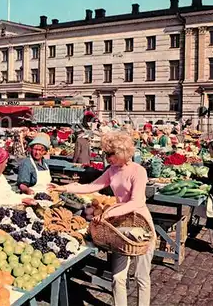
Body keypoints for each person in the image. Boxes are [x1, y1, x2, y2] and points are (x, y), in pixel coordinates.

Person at [54, 131, 155, 306]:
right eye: (105, 153)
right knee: (117, 277)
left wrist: (108, 213)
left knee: (141, 276)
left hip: (141, 225)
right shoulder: (112, 170)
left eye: (110, 154)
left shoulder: (138, 171)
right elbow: (92, 186)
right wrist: (64, 189)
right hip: (120, 227)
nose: (106, 157)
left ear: (122, 152)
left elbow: (136, 201)